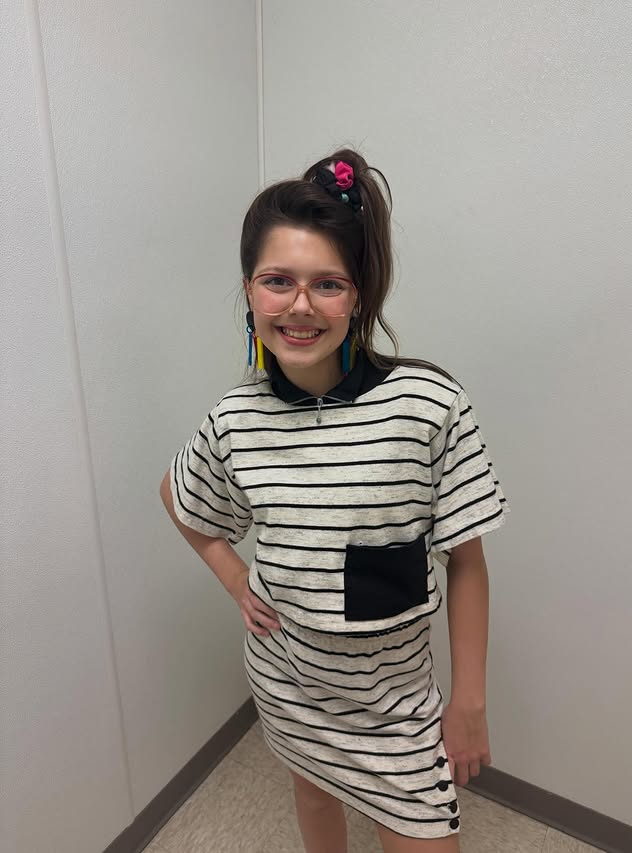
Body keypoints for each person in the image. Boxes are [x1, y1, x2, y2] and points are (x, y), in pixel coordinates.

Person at [159, 148, 510, 853]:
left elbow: (466, 563)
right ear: (250, 291)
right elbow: (177, 493)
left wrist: (469, 700)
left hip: (394, 709)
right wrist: (236, 578)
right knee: (313, 791)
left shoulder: (429, 405)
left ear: (359, 295)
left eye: (327, 284)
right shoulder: (236, 418)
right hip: (288, 685)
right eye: (277, 281)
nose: (299, 305)